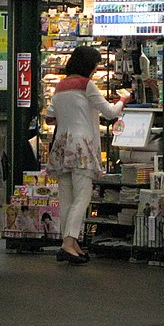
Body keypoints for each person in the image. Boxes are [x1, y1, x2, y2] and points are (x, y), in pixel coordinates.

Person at [44, 45, 128, 265]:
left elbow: (49, 119)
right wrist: (124, 99)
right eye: (95, 65)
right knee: (83, 195)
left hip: (62, 145)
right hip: (81, 146)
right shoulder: (86, 85)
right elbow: (110, 113)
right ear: (89, 65)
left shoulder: (60, 87)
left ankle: (71, 243)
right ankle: (68, 241)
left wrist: (70, 114)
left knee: (66, 198)